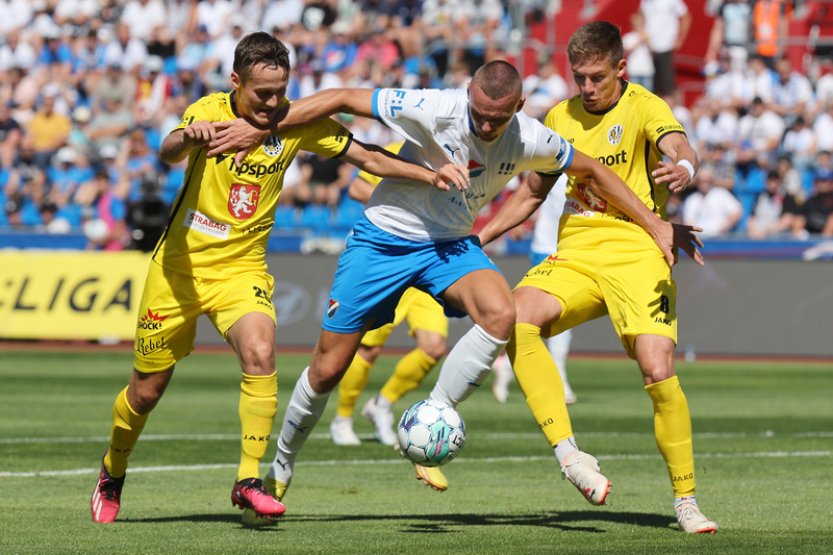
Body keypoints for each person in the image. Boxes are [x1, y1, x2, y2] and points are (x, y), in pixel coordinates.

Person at [209, 59, 685, 519]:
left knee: (503, 313)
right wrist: (264, 128)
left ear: (518, 107)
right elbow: (340, 97)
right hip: (384, 239)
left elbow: (595, 170)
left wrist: (655, 224)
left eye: (497, 118)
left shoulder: (532, 139)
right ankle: (282, 465)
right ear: (467, 97)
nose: (484, 125)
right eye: (478, 113)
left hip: (450, 246)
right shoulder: (433, 107)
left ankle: (434, 411)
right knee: (328, 368)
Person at [89, 31, 467, 525]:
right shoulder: (209, 109)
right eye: (261, 93)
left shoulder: (295, 122)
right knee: (146, 392)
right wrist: (189, 137)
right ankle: (113, 470)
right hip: (178, 271)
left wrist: (431, 174)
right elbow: (168, 150)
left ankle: (248, 480)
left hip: (241, 270)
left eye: (280, 91)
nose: (272, 103)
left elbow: (368, 156)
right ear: (235, 82)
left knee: (262, 352)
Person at [477, 21, 717, 534]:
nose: (586, 88)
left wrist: (685, 170)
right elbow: (530, 194)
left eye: (596, 77)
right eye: (579, 77)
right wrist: (482, 237)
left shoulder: (645, 105)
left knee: (657, 369)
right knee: (515, 318)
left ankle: (686, 500)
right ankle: (570, 456)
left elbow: (680, 145)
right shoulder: (560, 117)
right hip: (578, 249)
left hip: (640, 247)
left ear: (620, 69)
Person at [329, 142, 450, 461]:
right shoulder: (399, 149)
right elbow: (356, 187)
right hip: (389, 259)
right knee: (368, 348)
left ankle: (382, 404)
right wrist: (402, 210)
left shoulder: (454, 156)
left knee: (434, 347)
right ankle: (342, 419)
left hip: (428, 262)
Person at [491, 175, 576, 405]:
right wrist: (518, 222)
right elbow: (529, 193)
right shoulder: (556, 162)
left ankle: (505, 366)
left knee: (551, 319)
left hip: (571, 250)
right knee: (556, 315)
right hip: (547, 249)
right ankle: (559, 377)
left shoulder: (585, 166)